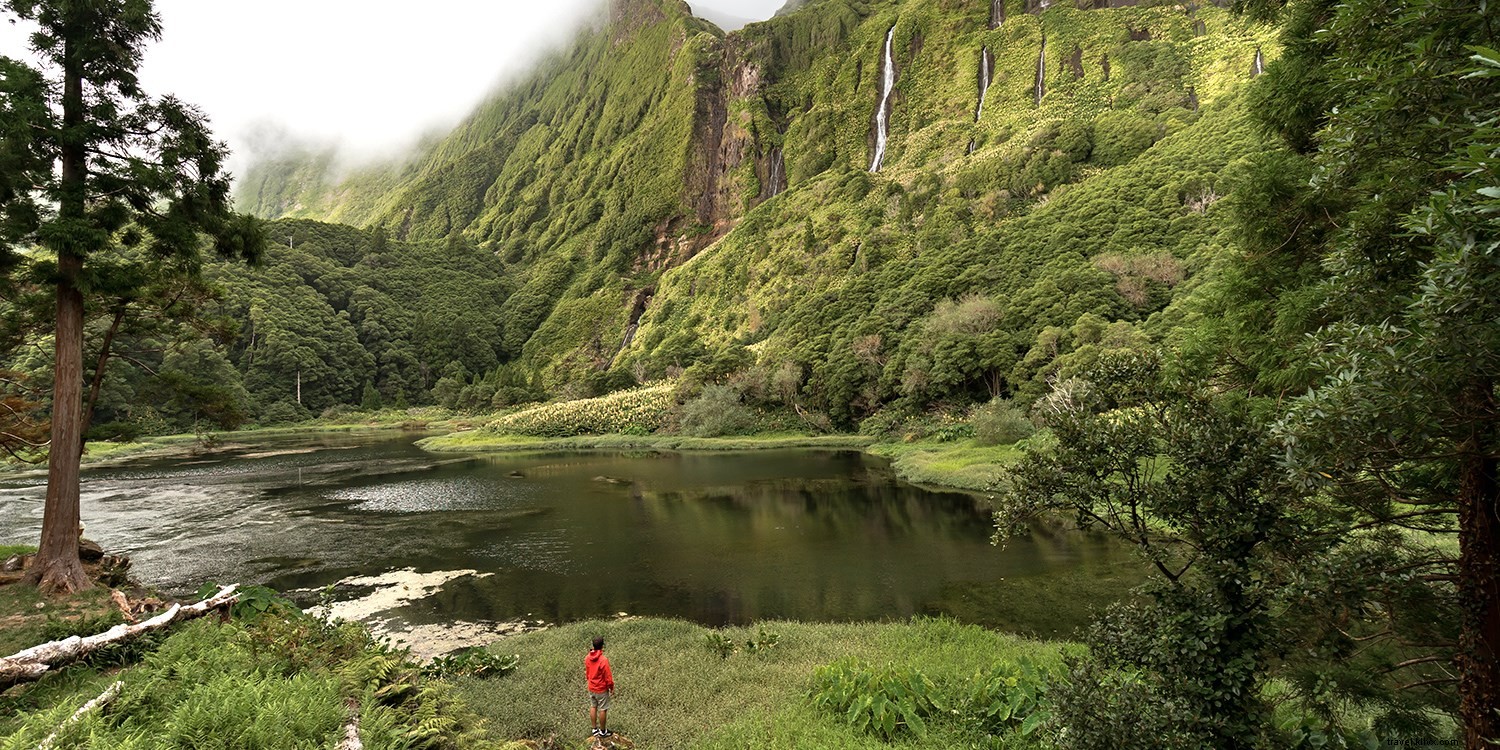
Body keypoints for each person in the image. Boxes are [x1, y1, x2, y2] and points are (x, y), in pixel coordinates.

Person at [585, 635, 616, 738]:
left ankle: (594, 729)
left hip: (591, 687)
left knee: (593, 706)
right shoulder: (603, 660)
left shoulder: (587, 657)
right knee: (603, 709)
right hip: (601, 689)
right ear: (602, 646)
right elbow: (608, 677)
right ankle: (603, 731)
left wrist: (589, 681)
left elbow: (587, 672)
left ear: (593, 645)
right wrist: (611, 687)